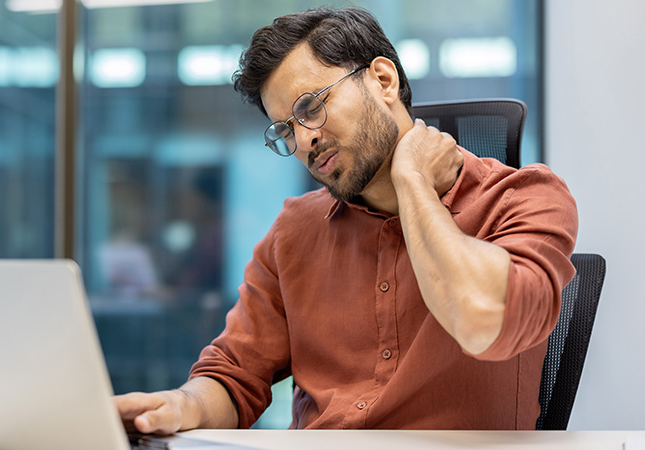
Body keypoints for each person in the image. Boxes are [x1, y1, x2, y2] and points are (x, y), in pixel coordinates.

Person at [115, 6, 577, 433]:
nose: (303, 141)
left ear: (382, 79)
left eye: (311, 108)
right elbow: (234, 373)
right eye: (285, 129)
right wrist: (182, 405)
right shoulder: (295, 230)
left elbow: (483, 320)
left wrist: (412, 181)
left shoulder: (524, 198)